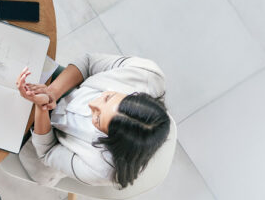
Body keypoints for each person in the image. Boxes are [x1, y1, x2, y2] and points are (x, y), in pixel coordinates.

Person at [16, 53, 171, 188]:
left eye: (97, 118)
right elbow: (88, 63)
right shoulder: (146, 74)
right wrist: (52, 92)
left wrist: (42, 107)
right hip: (62, 86)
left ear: (108, 141)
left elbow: (47, 151)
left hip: (38, 141)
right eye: (108, 97)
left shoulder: (101, 169)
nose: (91, 103)